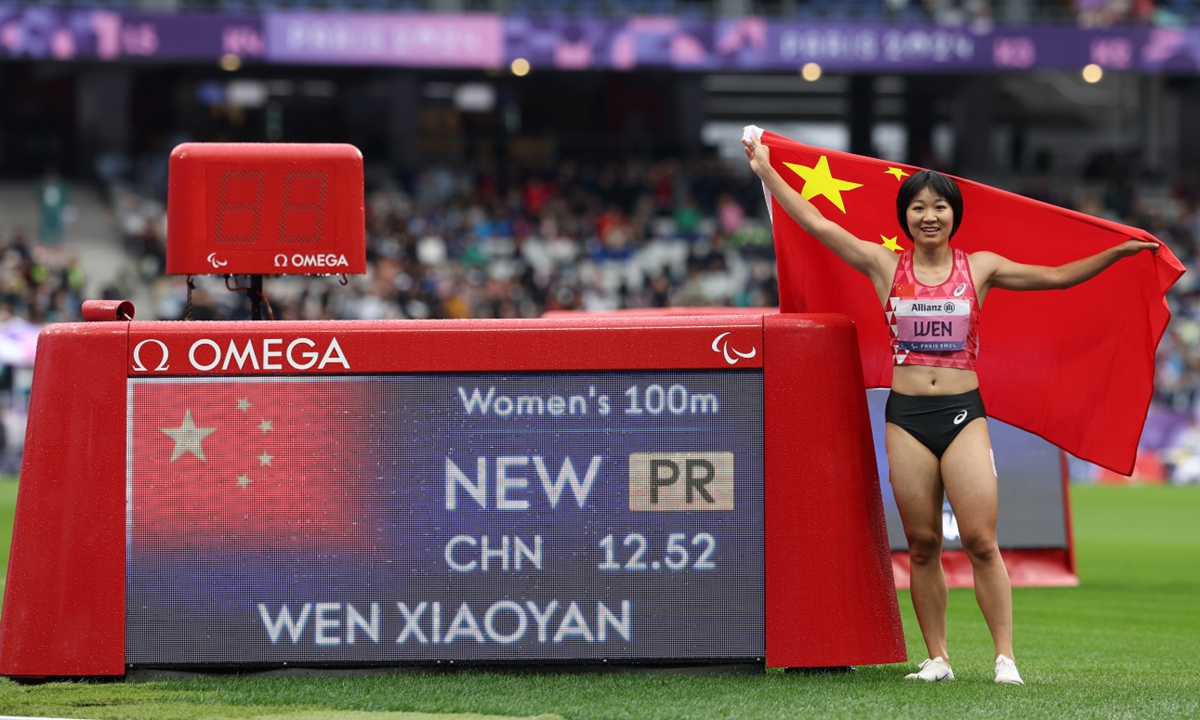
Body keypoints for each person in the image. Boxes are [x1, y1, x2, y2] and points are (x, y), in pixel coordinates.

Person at [743, 134, 1157, 685]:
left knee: (982, 541)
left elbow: (1056, 277)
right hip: (907, 419)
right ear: (905, 217)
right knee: (921, 546)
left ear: (954, 216)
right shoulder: (883, 265)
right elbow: (819, 224)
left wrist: (1118, 251)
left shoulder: (980, 268)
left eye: (939, 206)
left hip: (964, 414)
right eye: (918, 207)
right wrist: (768, 172)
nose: (929, 215)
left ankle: (1005, 658)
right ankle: (937, 658)